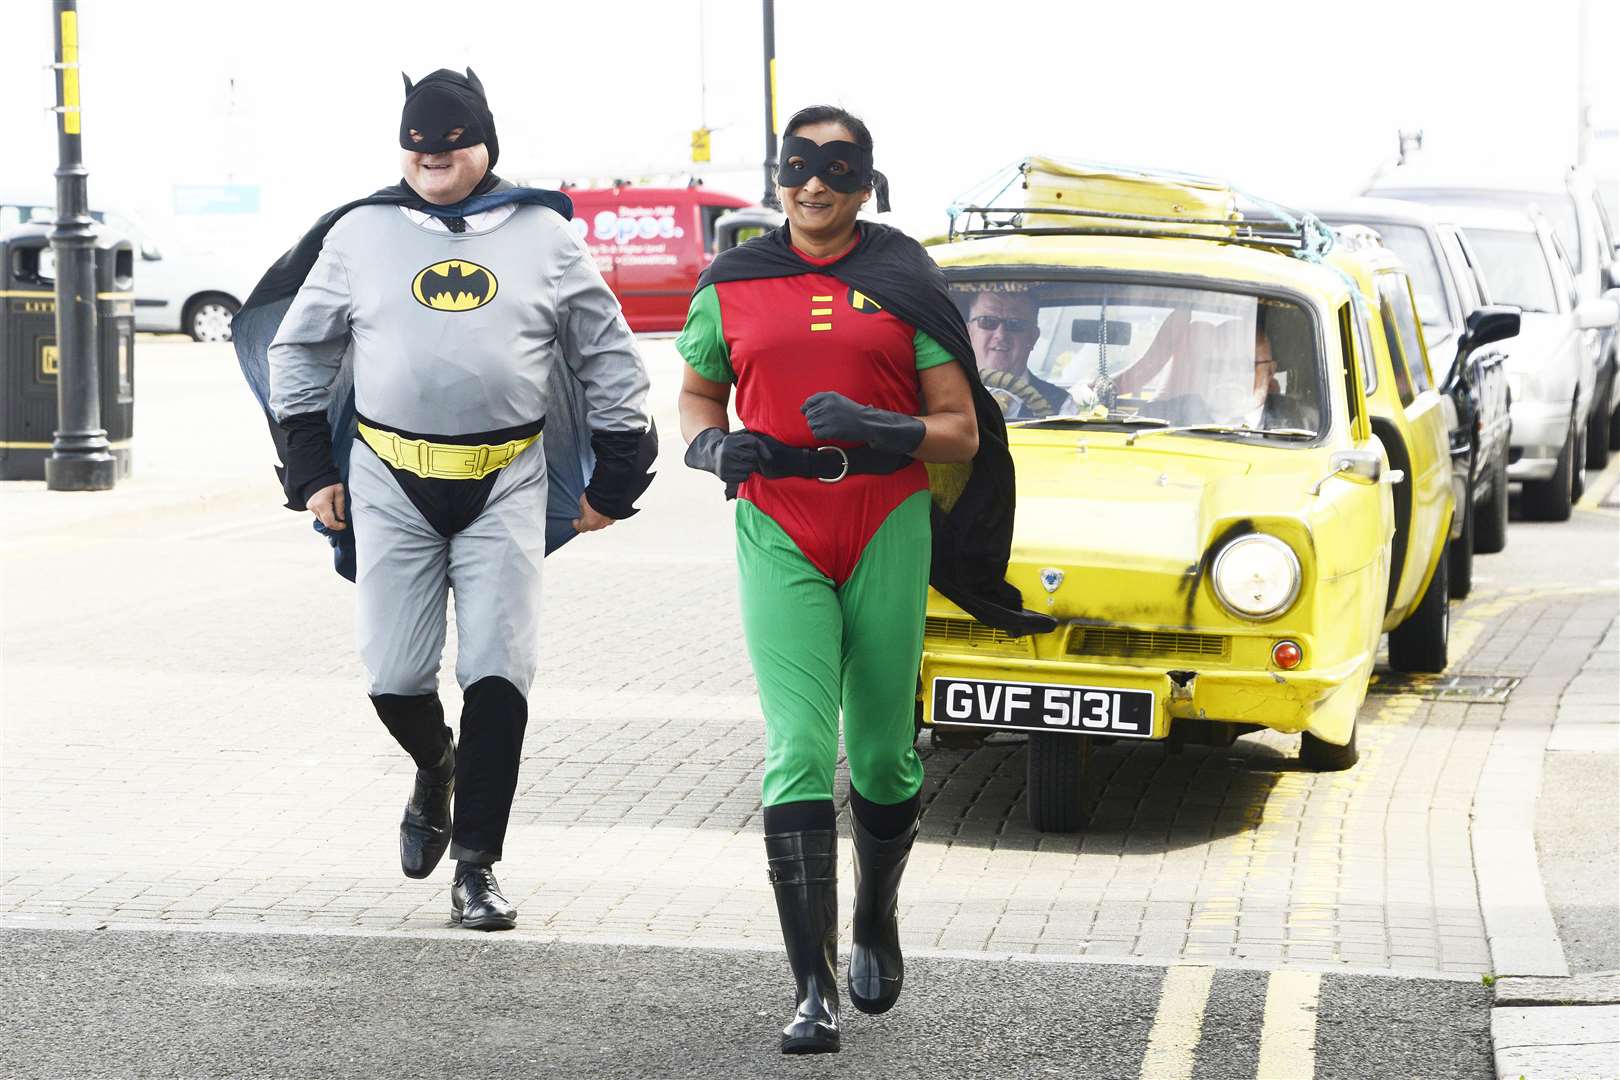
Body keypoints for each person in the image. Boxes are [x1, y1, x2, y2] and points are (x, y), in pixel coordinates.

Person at [238, 68, 655, 931]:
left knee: (498, 673)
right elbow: (300, 351)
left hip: (506, 478)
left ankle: (478, 867)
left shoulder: (544, 234)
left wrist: (616, 476)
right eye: (420, 143)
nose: (435, 157)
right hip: (388, 480)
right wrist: (312, 470)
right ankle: (437, 768)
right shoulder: (362, 233)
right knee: (394, 677)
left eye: (453, 141)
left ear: (486, 143)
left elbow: (608, 356)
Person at [675, 105, 1051, 1054]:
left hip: (885, 518)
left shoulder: (902, 279)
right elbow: (693, 394)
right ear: (777, 175)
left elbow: (961, 431)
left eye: (837, 168)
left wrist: (885, 431)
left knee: (882, 757)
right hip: (778, 523)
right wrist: (712, 444)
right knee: (799, 747)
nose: (815, 184)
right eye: (799, 166)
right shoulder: (734, 281)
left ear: (867, 180)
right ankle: (813, 987)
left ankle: (874, 912)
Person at [965, 289, 1071, 417]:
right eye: (987, 321)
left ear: (1033, 337)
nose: (1000, 335)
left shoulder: (1061, 406)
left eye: (1015, 324)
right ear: (969, 332)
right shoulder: (944, 394)